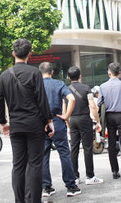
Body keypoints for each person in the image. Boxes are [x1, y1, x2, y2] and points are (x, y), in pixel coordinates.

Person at [0, 39, 54, 203]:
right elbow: (42, 99)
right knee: (35, 164)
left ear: (13, 53)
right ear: (30, 54)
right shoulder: (35, 73)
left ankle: (19, 201)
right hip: (35, 124)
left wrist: (2, 122)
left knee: (18, 165)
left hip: (16, 125)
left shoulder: (5, 75)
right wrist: (49, 120)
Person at [39, 62, 80, 197]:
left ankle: (46, 187)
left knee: (43, 155)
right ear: (52, 72)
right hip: (57, 121)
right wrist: (66, 116)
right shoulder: (59, 84)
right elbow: (71, 99)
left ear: (40, 73)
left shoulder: (35, 85)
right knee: (64, 153)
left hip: (41, 123)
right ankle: (71, 186)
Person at [67, 66, 104, 186]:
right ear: (80, 76)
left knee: (74, 148)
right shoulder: (86, 88)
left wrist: (67, 123)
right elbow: (92, 106)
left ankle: (75, 176)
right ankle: (90, 176)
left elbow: (64, 108)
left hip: (72, 119)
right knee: (87, 147)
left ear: (68, 77)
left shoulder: (66, 89)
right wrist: (98, 121)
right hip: (84, 119)